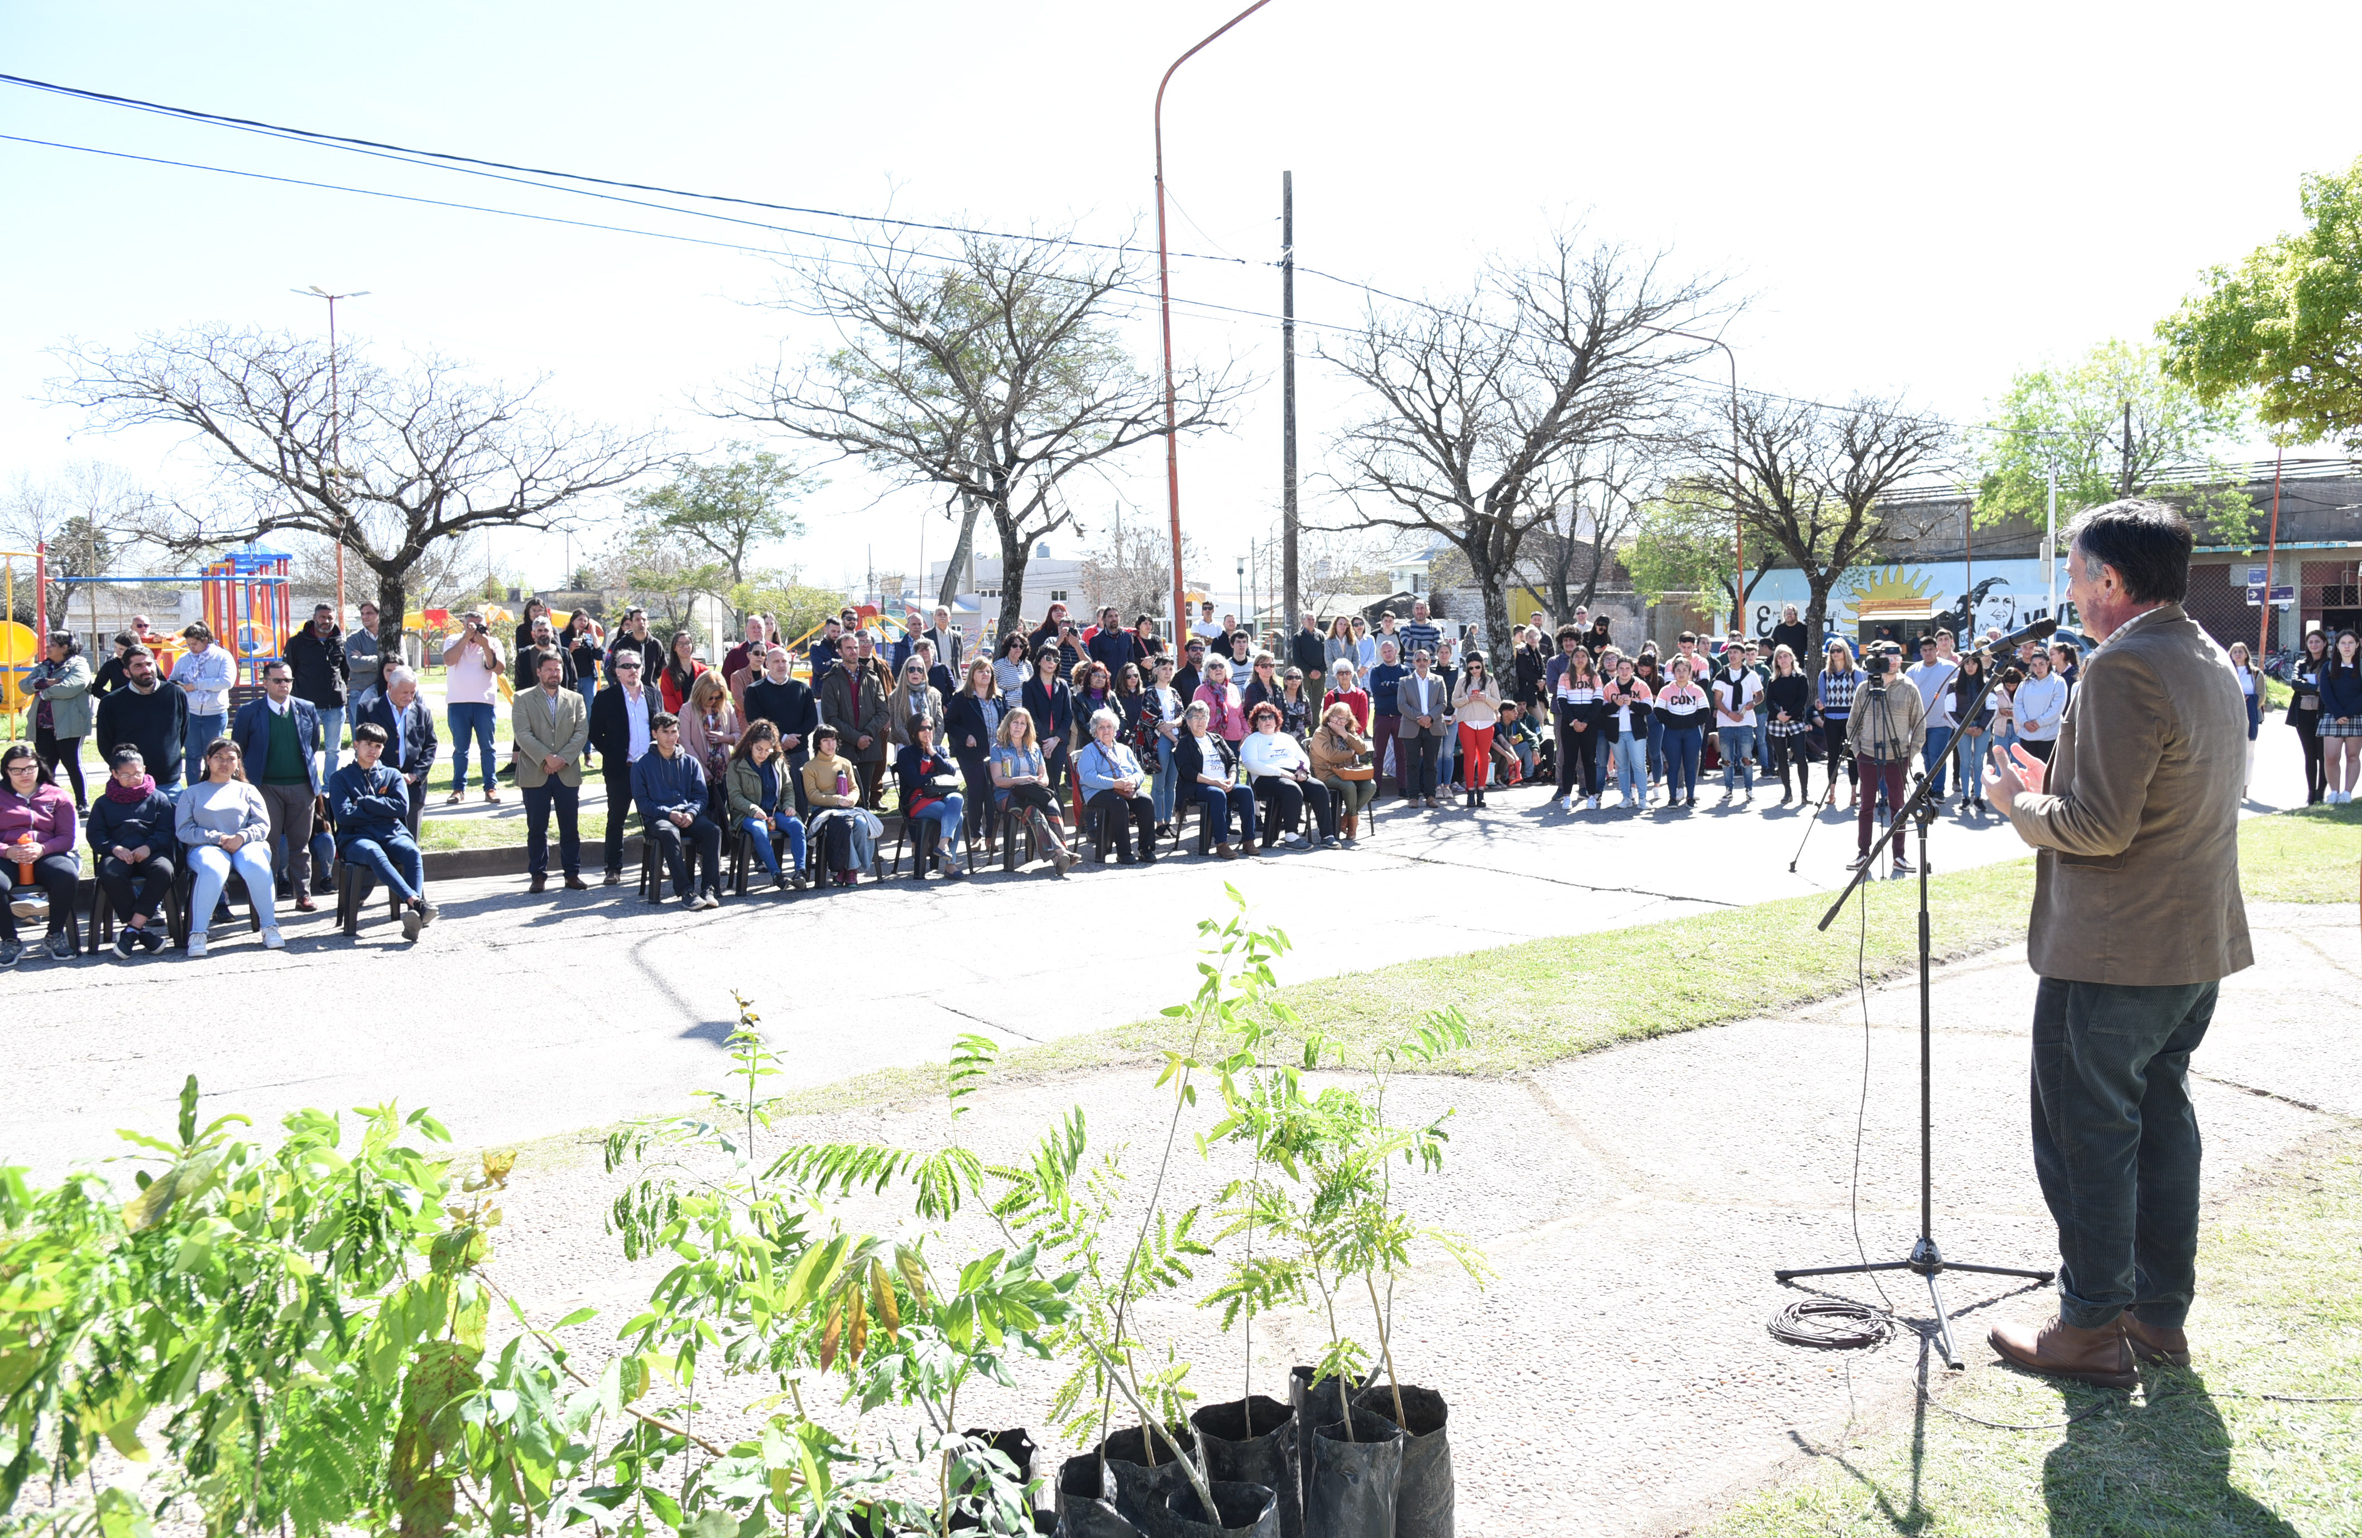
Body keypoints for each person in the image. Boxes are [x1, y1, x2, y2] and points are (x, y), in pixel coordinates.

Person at [1981, 499, 2252, 1389]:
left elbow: (2097, 829)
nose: (2067, 588)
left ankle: (2091, 1326)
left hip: (2113, 953)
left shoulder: (2124, 665)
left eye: (2072, 572)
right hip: (2188, 946)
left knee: (2087, 1137)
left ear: (2110, 580)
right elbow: (2156, 788)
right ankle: (2156, 1313)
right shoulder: (2203, 654)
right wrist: (2054, 776)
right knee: (2161, 1126)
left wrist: (2019, 806)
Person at [230, 659, 325, 912]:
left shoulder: (306, 708)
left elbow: (312, 744)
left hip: (301, 786)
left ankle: (303, 894)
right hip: (265, 787)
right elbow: (239, 749)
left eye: (288, 680)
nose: (284, 685)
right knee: (266, 844)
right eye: (278, 680)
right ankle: (265, 897)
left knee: (300, 844)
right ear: (265, 683)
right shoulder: (249, 712)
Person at [328, 723, 437, 939]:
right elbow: (343, 816)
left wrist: (365, 802)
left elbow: (401, 807)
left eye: (378, 746)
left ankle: (412, 916)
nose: (372, 750)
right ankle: (416, 904)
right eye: (367, 744)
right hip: (356, 837)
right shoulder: (340, 778)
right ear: (356, 745)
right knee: (373, 852)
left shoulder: (392, 775)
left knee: (412, 852)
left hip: (392, 833)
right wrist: (382, 809)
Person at [176, 739, 281, 956]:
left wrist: (242, 837)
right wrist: (218, 838)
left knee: (257, 866)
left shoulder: (248, 790)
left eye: (230, 758)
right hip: (206, 847)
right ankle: (198, 934)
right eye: (219, 758)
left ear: (238, 763)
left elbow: (263, 824)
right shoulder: (192, 793)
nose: (224, 763)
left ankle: (270, 927)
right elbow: (184, 830)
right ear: (208, 760)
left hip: (247, 844)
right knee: (213, 869)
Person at [512, 649, 591, 892]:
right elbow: (522, 733)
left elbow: (581, 732)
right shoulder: (523, 698)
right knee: (537, 827)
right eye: (548, 669)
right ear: (538, 672)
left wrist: (561, 759)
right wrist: (547, 758)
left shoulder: (575, 699)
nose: (553, 673)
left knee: (570, 826)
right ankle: (538, 875)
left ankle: (572, 873)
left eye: (557, 669)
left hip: (566, 773)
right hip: (535, 772)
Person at [89, 748, 176, 956]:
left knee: (163, 870)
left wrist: (150, 846)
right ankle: (141, 931)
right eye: (126, 775)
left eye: (137, 774)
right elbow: (95, 834)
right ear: (114, 774)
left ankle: (132, 929)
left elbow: (167, 830)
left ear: (144, 770)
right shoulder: (103, 802)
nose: (133, 779)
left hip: (150, 850)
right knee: (110, 873)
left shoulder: (158, 798)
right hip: (118, 852)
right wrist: (114, 848)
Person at [1, 741, 81, 965]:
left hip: (47, 853)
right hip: (7, 856)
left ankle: (54, 935)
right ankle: (9, 940)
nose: (24, 774)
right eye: (16, 770)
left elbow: (67, 838)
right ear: (6, 771)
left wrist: (42, 848)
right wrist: (8, 851)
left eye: (29, 768)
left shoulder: (58, 796)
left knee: (66, 874)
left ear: (39, 766)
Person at [632, 713, 723, 908]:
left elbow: (701, 797)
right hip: (657, 818)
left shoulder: (690, 762)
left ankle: (709, 888)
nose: (671, 737)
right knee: (669, 832)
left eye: (674, 731)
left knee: (713, 830)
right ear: (654, 733)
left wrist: (691, 813)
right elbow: (642, 803)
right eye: (665, 732)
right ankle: (686, 891)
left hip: (686, 816)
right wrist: (668, 814)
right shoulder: (641, 764)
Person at [1849, 643, 1925, 877]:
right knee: (1866, 806)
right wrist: (1857, 752)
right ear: (1877, 659)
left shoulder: (1909, 688)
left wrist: (1909, 755)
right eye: (1886, 657)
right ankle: (1863, 853)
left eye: (1895, 657)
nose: (1891, 661)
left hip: (1897, 756)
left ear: (1901, 660)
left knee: (1898, 807)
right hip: (1868, 755)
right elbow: (1852, 724)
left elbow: (1919, 725)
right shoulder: (1865, 688)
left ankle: (1899, 857)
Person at [589, 651, 656, 884]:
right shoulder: (606, 698)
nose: (632, 669)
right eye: (626, 665)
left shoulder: (653, 695)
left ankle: (659, 863)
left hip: (650, 770)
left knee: (654, 818)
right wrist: (614, 752)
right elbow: (594, 733)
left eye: (636, 665)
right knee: (616, 819)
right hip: (621, 769)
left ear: (643, 669)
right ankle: (613, 868)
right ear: (616, 671)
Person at [989, 706, 1075, 872]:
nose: (1019, 726)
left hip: (1032, 793)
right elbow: (998, 781)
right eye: (1015, 722)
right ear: (1008, 724)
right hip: (1007, 795)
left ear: (1028, 728)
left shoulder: (1033, 748)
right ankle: (1061, 853)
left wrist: (1038, 781)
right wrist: (1023, 780)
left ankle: (1060, 857)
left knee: (1053, 806)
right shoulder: (998, 749)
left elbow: (1044, 777)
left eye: (1023, 723)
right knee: (1032, 811)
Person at [727, 721, 807, 891]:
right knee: (759, 829)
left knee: (797, 825)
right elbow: (735, 797)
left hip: (774, 810)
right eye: (759, 749)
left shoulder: (777, 762)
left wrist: (789, 805)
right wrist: (753, 810)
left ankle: (800, 871)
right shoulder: (736, 765)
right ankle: (776, 874)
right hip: (746, 814)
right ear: (750, 745)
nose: (763, 754)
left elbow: (787, 788)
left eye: (767, 749)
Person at [1242, 700, 1336, 846]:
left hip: (1294, 774)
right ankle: (1291, 836)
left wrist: (1303, 770)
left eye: (1270, 717)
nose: (1267, 720)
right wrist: (1280, 772)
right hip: (1266, 778)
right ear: (1256, 721)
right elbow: (1251, 764)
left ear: (1276, 719)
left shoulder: (1287, 738)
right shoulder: (1252, 740)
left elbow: (1303, 757)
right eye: (1263, 717)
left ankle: (1327, 835)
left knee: (1319, 788)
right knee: (1291, 789)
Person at [743, 645, 820, 816]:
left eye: (784, 661)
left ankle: (800, 835)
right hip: (768, 754)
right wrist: (782, 738)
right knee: (771, 800)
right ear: (767, 664)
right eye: (776, 661)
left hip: (798, 753)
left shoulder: (803, 689)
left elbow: (811, 720)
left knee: (799, 799)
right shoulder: (755, 690)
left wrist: (794, 739)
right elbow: (756, 721)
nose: (781, 665)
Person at [358, 666, 437, 834]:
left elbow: (430, 746)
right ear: (389, 687)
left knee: (410, 841)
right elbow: (364, 747)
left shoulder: (422, 712)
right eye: (404, 692)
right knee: (383, 840)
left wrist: (415, 774)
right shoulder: (368, 709)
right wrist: (388, 774)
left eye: (412, 692)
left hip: (413, 786)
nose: (409, 697)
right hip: (380, 786)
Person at [1174, 700, 1256, 858]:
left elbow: (1232, 760)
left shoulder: (1216, 738)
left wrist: (1232, 778)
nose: (1200, 721)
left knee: (1246, 792)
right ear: (1188, 721)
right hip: (1198, 785)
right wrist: (1214, 782)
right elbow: (1187, 772)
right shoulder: (1184, 743)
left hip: (1224, 782)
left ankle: (1248, 840)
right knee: (1217, 794)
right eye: (1195, 717)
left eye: (1203, 717)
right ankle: (1221, 843)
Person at [820, 633, 892, 810]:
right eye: (849, 648)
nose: (854, 652)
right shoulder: (831, 680)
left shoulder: (872, 677)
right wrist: (855, 738)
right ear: (839, 651)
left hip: (869, 746)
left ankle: (865, 836)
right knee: (845, 799)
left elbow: (883, 712)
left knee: (864, 800)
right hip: (843, 748)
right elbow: (830, 718)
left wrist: (866, 735)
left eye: (856, 647)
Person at [1075, 709, 1156, 864]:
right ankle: (1124, 852)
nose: (1106, 730)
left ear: (1115, 729)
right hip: (1096, 791)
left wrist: (1133, 781)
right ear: (1095, 731)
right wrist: (1113, 783)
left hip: (1124, 788)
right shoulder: (1089, 750)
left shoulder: (1124, 749)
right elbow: (1088, 778)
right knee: (1118, 804)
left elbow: (1139, 772)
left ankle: (1146, 849)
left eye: (1109, 726)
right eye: (1101, 727)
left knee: (1146, 801)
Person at [894, 713, 970, 878]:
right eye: (922, 728)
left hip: (942, 797)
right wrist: (936, 776)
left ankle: (943, 844)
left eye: (930, 727)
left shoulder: (939, 750)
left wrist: (934, 754)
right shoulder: (906, 754)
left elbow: (950, 773)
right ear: (914, 731)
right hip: (918, 801)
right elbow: (914, 781)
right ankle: (950, 865)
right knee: (959, 818)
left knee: (957, 798)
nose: (927, 731)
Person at [441, 611, 505, 804]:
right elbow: (449, 660)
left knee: (488, 748)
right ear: (464, 625)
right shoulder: (453, 639)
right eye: (471, 625)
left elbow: (498, 669)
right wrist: (465, 638)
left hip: (484, 702)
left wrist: (484, 644)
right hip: (457, 702)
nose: (475, 629)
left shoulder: (492, 642)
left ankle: (490, 787)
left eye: (479, 625)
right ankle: (458, 789)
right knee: (460, 749)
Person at [27, 631, 94, 812]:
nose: (47, 647)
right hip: (42, 726)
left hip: (69, 725)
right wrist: (46, 682)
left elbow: (71, 687)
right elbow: (24, 685)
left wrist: (43, 692)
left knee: (72, 763)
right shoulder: (44, 666)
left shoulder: (79, 665)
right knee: (46, 766)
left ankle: (82, 803)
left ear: (65, 648)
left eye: (52, 644)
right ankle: (48, 802)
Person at [802, 725, 877, 885]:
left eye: (833, 740)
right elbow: (813, 796)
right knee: (844, 826)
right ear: (818, 744)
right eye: (825, 740)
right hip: (823, 810)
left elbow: (854, 788)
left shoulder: (845, 763)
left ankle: (847, 869)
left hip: (847, 808)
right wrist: (836, 800)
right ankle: (851, 870)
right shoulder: (810, 767)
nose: (830, 744)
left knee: (862, 824)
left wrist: (851, 798)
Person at [946, 657, 1007, 846]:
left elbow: (1005, 721)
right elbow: (949, 723)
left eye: (988, 671)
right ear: (972, 674)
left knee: (991, 793)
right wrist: (966, 737)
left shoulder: (999, 697)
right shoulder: (962, 698)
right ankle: (975, 835)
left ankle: (990, 836)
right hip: (971, 754)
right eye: (981, 671)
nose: (985, 674)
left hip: (995, 754)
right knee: (976, 792)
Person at [286, 603, 351, 781]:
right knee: (306, 747)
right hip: (306, 706)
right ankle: (309, 782)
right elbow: (288, 671)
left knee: (333, 749)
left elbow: (345, 672)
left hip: (334, 705)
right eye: (322, 617)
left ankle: (329, 785)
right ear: (314, 618)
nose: (326, 621)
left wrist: (340, 689)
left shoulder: (340, 643)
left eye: (330, 617)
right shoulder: (296, 643)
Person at [170, 622, 237, 785]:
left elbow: (227, 681)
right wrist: (178, 684)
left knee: (214, 754)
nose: (191, 648)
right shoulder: (184, 659)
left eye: (194, 644)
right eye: (188, 644)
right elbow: (173, 678)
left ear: (205, 640)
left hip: (214, 713)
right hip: (191, 712)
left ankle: (213, 785)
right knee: (192, 754)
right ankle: (194, 789)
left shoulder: (222, 656)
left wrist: (197, 685)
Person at [1310, 701, 1376, 842]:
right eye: (1336, 717)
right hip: (1327, 773)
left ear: (1348, 720)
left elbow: (1363, 749)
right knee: (1349, 786)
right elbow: (1331, 755)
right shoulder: (1321, 732)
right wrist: (1350, 752)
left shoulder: (1348, 731)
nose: (1339, 721)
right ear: (1329, 716)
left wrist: (1345, 734)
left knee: (1371, 785)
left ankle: (1345, 819)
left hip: (1348, 772)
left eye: (1343, 719)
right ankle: (1352, 827)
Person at [1905, 633, 1959, 801]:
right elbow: (1907, 695)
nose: (1928, 653)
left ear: (1937, 650)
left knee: (1937, 755)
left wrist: (1952, 712)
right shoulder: (1912, 670)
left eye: (1931, 649)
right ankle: (1929, 786)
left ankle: (1938, 790)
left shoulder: (1949, 667)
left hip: (1941, 721)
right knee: (1926, 755)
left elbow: (1959, 691)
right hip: (1919, 722)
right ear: (1920, 651)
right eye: (1924, 650)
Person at [1021, 645, 1078, 799]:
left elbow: (1068, 715)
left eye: (1056, 659)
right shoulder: (1029, 685)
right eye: (1048, 658)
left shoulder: (1063, 685)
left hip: (1058, 743)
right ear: (1039, 661)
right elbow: (1030, 715)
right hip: (1038, 742)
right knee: (1041, 784)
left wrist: (1056, 739)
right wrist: (1046, 741)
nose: (1052, 662)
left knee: (1055, 785)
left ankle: (1056, 820)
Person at [1395, 650, 1449, 808]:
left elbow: (1443, 703)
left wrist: (1430, 717)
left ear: (1430, 661)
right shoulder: (1404, 681)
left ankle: (1430, 796)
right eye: (1418, 660)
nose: (1422, 662)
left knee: (1431, 764)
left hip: (1433, 726)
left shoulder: (1438, 680)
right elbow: (1401, 705)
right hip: (1412, 726)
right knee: (1411, 763)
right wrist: (1420, 718)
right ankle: (1413, 796)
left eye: (1425, 659)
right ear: (1413, 662)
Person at [1551, 646, 1602, 811]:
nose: (1580, 659)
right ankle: (1566, 795)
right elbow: (1562, 701)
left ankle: (1591, 795)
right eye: (1576, 656)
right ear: (1571, 659)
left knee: (1589, 760)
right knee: (1569, 760)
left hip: (1590, 721)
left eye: (1583, 656)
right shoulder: (1564, 677)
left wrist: (1586, 721)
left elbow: (1598, 702)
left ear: (1588, 659)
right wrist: (1573, 721)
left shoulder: (1595, 677)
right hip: (1569, 721)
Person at [1630, 657, 1685, 809]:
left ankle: (1656, 786)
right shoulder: (1631, 678)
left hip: (1654, 718)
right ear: (1637, 666)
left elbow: (1663, 698)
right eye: (1642, 670)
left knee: (1655, 753)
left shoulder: (1659, 679)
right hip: (1637, 717)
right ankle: (1633, 786)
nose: (1644, 673)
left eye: (1648, 671)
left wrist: (1650, 697)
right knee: (1635, 755)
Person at [1763, 644, 1814, 806]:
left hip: (1795, 720)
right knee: (1782, 758)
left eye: (1786, 656)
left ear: (1792, 658)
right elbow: (1768, 701)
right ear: (1776, 661)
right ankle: (1787, 791)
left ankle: (1804, 793)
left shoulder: (1800, 678)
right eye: (1779, 656)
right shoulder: (1773, 680)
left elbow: (1802, 700)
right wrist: (1778, 714)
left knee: (1800, 756)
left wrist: (1789, 714)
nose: (1783, 659)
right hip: (1776, 722)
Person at [1141, 654, 1187, 834]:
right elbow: (1152, 719)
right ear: (1155, 670)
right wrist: (1174, 738)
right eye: (1163, 668)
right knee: (1159, 783)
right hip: (1159, 741)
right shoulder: (1150, 692)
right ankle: (1158, 822)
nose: (1167, 672)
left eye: (1170, 668)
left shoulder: (1174, 692)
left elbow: (1182, 715)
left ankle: (1168, 821)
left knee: (1172, 783)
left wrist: (1174, 725)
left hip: (1174, 738)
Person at [1711, 646, 1763, 799]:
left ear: (1743, 655)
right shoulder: (1722, 675)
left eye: (1736, 653)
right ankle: (1728, 789)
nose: (1732, 656)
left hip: (1745, 722)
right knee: (1726, 759)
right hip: (1725, 723)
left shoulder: (1751, 675)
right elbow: (1717, 700)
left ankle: (1749, 789)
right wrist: (1729, 714)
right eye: (1730, 653)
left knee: (1746, 757)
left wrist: (1753, 703)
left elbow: (1760, 695)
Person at [1451, 653, 1502, 806]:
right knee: (1469, 757)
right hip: (1467, 722)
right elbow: (1454, 702)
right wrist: (1468, 698)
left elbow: (1497, 703)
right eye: (1471, 667)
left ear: (1482, 665)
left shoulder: (1490, 680)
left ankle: (1481, 792)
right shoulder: (1461, 681)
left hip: (1486, 722)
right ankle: (1470, 793)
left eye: (1477, 667)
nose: (1474, 670)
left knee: (1483, 757)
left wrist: (1485, 697)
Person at [1949, 648, 1995, 814]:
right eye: (1966, 662)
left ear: (1978, 664)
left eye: (1973, 662)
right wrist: (1964, 728)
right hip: (1963, 729)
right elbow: (1949, 710)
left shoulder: (1987, 683)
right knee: (1965, 762)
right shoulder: (1953, 685)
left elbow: (1992, 708)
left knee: (1978, 763)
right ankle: (1965, 797)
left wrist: (1981, 727)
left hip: (1982, 728)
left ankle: (1978, 797)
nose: (1970, 666)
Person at [1817, 640, 1863, 808]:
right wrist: (1821, 704)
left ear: (1845, 652)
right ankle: (1832, 793)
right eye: (1832, 651)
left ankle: (1853, 793)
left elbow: (1860, 698)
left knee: (1852, 756)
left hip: (1850, 719)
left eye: (1838, 650)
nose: (1835, 653)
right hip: (1830, 718)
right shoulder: (1824, 674)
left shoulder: (1855, 673)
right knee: (1833, 757)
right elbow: (1822, 698)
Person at [2287, 628, 2329, 804]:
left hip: (2323, 713)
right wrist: (2317, 688)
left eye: (2317, 641)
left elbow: (2331, 685)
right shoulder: (2301, 664)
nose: (2314, 645)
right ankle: (2311, 793)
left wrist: (2316, 688)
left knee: (2324, 755)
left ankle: (2321, 792)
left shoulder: (2330, 663)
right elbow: (2295, 683)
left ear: (2324, 643)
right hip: (2303, 713)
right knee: (2310, 755)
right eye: (2310, 642)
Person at [2319, 629, 2362, 803]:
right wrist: (2338, 713)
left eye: (2350, 643)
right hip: (2332, 716)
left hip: (2356, 716)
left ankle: (2347, 793)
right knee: (2331, 756)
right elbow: (2325, 692)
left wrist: (2348, 712)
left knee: (2352, 755)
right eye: (2343, 643)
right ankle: (2334, 792)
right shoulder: (2327, 666)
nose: (2346, 646)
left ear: (2357, 645)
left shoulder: (2360, 666)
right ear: (2336, 646)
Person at [2013, 648, 2069, 764]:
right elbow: (2017, 704)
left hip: (2049, 736)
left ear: (2048, 663)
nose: (2038, 668)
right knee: (2029, 771)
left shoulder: (2058, 682)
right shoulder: (2025, 683)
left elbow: (2057, 708)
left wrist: (2039, 722)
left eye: (2041, 664)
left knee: (2047, 771)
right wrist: (2025, 722)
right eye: (2034, 665)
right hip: (2027, 735)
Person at [513, 615, 577, 694]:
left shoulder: (564, 654)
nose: (543, 634)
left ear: (552, 633)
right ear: (533, 634)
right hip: (532, 702)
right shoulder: (524, 656)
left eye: (546, 630)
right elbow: (519, 684)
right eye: (539, 631)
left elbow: (573, 681)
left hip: (560, 702)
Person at [606, 606, 665, 683]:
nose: (641, 622)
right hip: (627, 691)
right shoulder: (622, 644)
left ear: (648, 623)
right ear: (631, 624)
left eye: (644, 619)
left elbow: (662, 668)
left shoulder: (655, 644)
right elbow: (612, 668)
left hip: (650, 690)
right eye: (637, 619)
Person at [347, 603, 385, 714]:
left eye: (369, 613)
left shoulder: (391, 637)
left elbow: (400, 664)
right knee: (360, 730)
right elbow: (354, 665)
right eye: (362, 613)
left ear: (379, 615)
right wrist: (382, 662)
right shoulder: (353, 639)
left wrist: (363, 659)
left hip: (385, 692)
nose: (364, 616)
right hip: (359, 691)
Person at [657, 630, 704, 715]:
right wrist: (682, 716)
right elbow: (667, 697)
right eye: (680, 644)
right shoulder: (667, 673)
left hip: (701, 715)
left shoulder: (703, 670)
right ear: (674, 647)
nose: (685, 646)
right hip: (679, 717)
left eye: (687, 643)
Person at [1322, 658, 1370, 734]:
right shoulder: (1329, 696)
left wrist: (1350, 736)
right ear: (1335, 676)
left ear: (1352, 674)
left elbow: (1363, 720)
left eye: (1347, 672)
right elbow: (1326, 720)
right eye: (1340, 673)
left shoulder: (1361, 695)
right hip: (1334, 736)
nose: (1344, 675)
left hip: (1354, 736)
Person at [721, 614, 771, 685]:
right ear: (746, 630)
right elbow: (725, 680)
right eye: (753, 627)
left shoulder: (776, 650)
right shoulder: (735, 653)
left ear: (764, 629)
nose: (756, 630)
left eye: (759, 627)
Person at [90, 631, 136, 700]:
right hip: (119, 705)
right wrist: (113, 698)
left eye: (121, 649)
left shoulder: (146, 663)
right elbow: (96, 688)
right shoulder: (111, 664)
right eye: (115, 647)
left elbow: (158, 685)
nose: (117, 651)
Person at [1397, 601, 1441, 671]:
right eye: (1417, 608)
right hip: (1410, 669)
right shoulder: (1406, 627)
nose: (1419, 611)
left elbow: (1438, 645)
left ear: (1426, 610)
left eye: (1422, 608)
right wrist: (1429, 642)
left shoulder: (1435, 627)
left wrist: (1415, 646)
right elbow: (1408, 644)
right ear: (1413, 611)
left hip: (1431, 669)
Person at [992, 630, 1032, 696]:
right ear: (1008, 647)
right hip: (1007, 705)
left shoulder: (1027, 665)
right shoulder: (998, 666)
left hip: (1025, 705)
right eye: (1014, 645)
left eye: (1021, 647)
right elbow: (990, 687)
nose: (1018, 648)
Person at [1290, 612, 1326, 679]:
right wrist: (1310, 671)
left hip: (1320, 674)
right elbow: (1297, 658)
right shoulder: (1298, 637)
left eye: (1313, 619)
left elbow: (1326, 654)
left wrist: (1320, 671)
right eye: (1308, 619)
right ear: (1303, 621)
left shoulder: (1321, 635)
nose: (1311, 621)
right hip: (1304, 674)